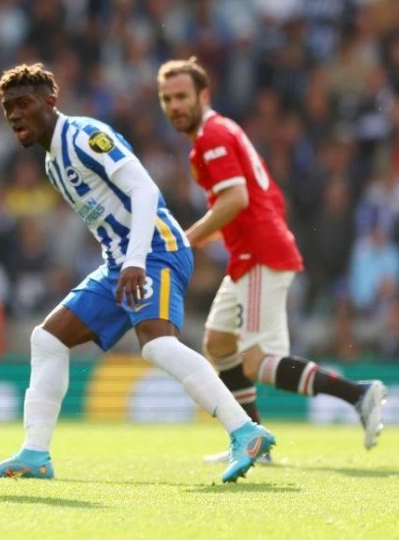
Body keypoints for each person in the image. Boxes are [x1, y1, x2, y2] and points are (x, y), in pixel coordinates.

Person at [0, 63, 274, 484]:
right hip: (121, 262)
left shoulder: (83, 136)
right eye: (9, 109)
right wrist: (124, 261)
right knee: (47, 340)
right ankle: (34, 454)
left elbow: (145, 189)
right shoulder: (52, 165)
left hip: (155, 250)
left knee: (156, 345)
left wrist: (134, 260)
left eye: (24, 104)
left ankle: (245, 431)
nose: (15, 115)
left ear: (50, 102)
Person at [156, 57, 387, 463]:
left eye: (181, 96)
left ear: (203, 95)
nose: (174, 105)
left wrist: (185, 239)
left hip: (260, 253)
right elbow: (255, 200)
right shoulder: (218, 135)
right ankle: (254, 441)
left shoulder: (212, 137)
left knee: (258, 362)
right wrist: (192, 239)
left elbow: (237, 199)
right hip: (251, 253)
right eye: (167, 98)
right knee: (219, 343)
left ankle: (359, 394)